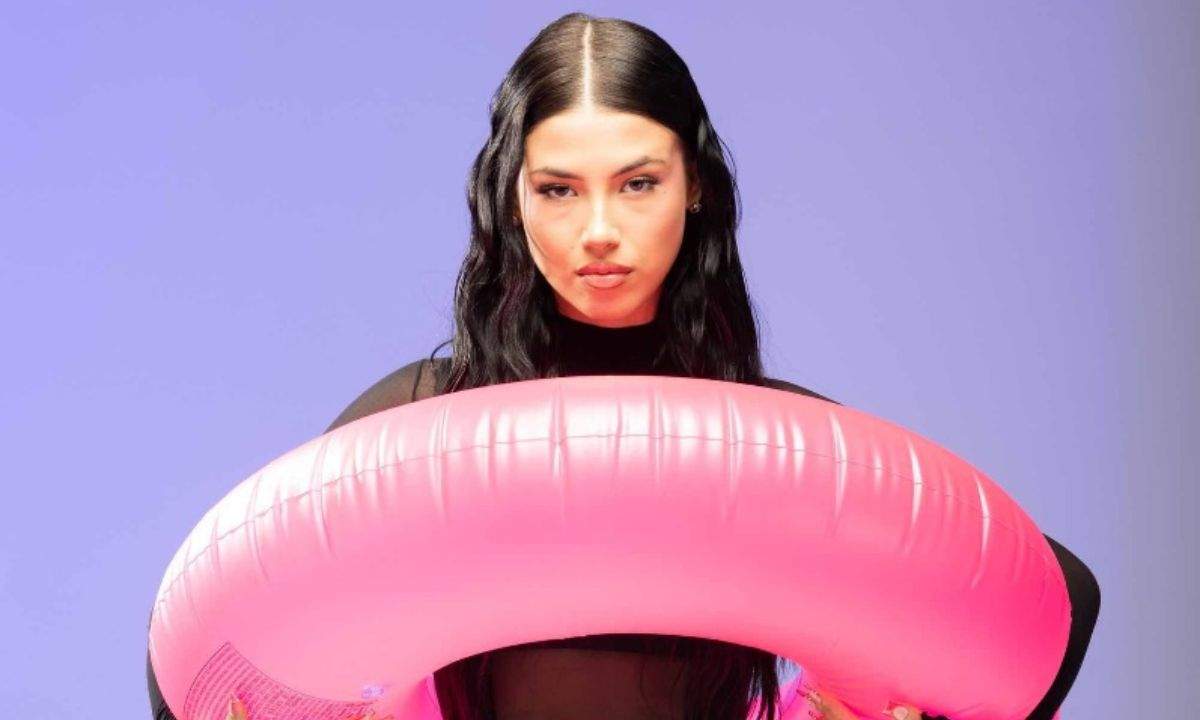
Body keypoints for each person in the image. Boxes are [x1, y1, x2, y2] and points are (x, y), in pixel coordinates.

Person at [148, 12, 1099, 720]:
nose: (598, 230)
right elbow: (208, 645)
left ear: (696, 189)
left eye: (638, 183)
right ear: (511, 202)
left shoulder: (767, 439)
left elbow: (1056, 596)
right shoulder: (424, 420)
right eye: (559, 189)